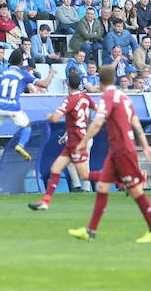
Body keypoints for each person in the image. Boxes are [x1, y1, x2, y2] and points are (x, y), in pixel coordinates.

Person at [68, 65, 151, 244]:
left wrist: (82, 142)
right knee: (102, 187)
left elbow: (96, 123)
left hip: (122, 150)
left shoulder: (107, 97)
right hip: (118, 150)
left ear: (100, 81)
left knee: (135, 191)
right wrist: (145, 146)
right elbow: (135, 122)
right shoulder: (124, 97)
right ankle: (90, 231)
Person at [29, 71, 96, 210]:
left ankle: (119, 177)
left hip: (78, 141)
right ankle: (45, 202)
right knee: (56, 168)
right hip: (75, 139)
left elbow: (55, 118)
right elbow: (97, 109)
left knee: (84, 174)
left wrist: (48, 115)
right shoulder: (85, 97)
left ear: (67, 84)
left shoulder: (70, 100)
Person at [0, 50, 55, 160]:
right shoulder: (24, 74)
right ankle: (20, 145)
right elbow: (44, 84)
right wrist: (51, 74)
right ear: (21, 63)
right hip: (13, 108)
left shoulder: (0, 71)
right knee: (27, 127)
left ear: (9, 61)